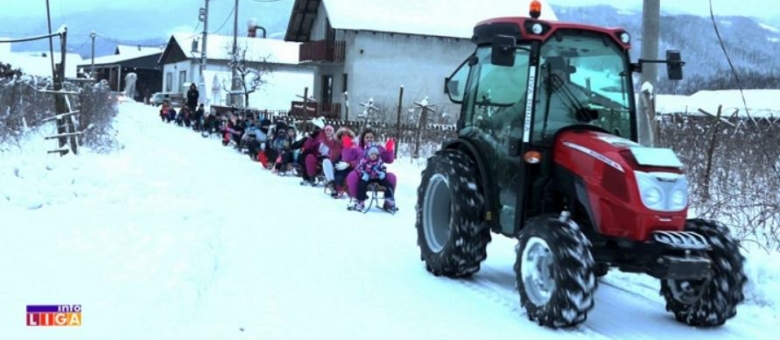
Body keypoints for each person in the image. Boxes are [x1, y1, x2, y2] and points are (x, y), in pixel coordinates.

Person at [341, 128, 397, 210]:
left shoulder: (379, 149)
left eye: (371, 137)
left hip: (378, 175)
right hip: (363, 175)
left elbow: (389, 160)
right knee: (352, 176)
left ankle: (388, 201)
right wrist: (347, 147)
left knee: (391, 177)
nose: (369, 139)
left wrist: (389, 150)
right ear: (363, 139)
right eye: (367, 137)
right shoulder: (358, 149)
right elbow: (347, 158)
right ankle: (358, 200)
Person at [351, 144, 394, 211]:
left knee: (388, 184)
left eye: (375, 154)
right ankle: (360, 201)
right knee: (362, 185)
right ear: (368, 154)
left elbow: (383, 168)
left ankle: (389, 199)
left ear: (377, 155)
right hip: (368, 177)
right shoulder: (364, 161)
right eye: (371, 154)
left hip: (378, 177)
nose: (373, 155)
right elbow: (359, 169)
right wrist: (363, 174)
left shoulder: (379, 161)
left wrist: (383, 173)